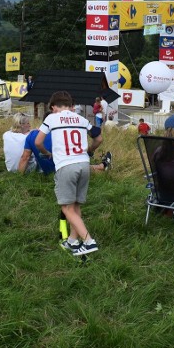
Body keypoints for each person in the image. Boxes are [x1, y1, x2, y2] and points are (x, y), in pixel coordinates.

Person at [36, 90, 103, 256]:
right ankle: (72, 241)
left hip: (66, 165)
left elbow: (38, 142)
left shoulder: (51, 118)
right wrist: (89, 151)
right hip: (84, 164)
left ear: (53, 107)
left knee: (66, 208)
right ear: (69, 105)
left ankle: (88, 241)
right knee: (76, 205)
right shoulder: (81, 118)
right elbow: (99, 138)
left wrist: (47, 153)